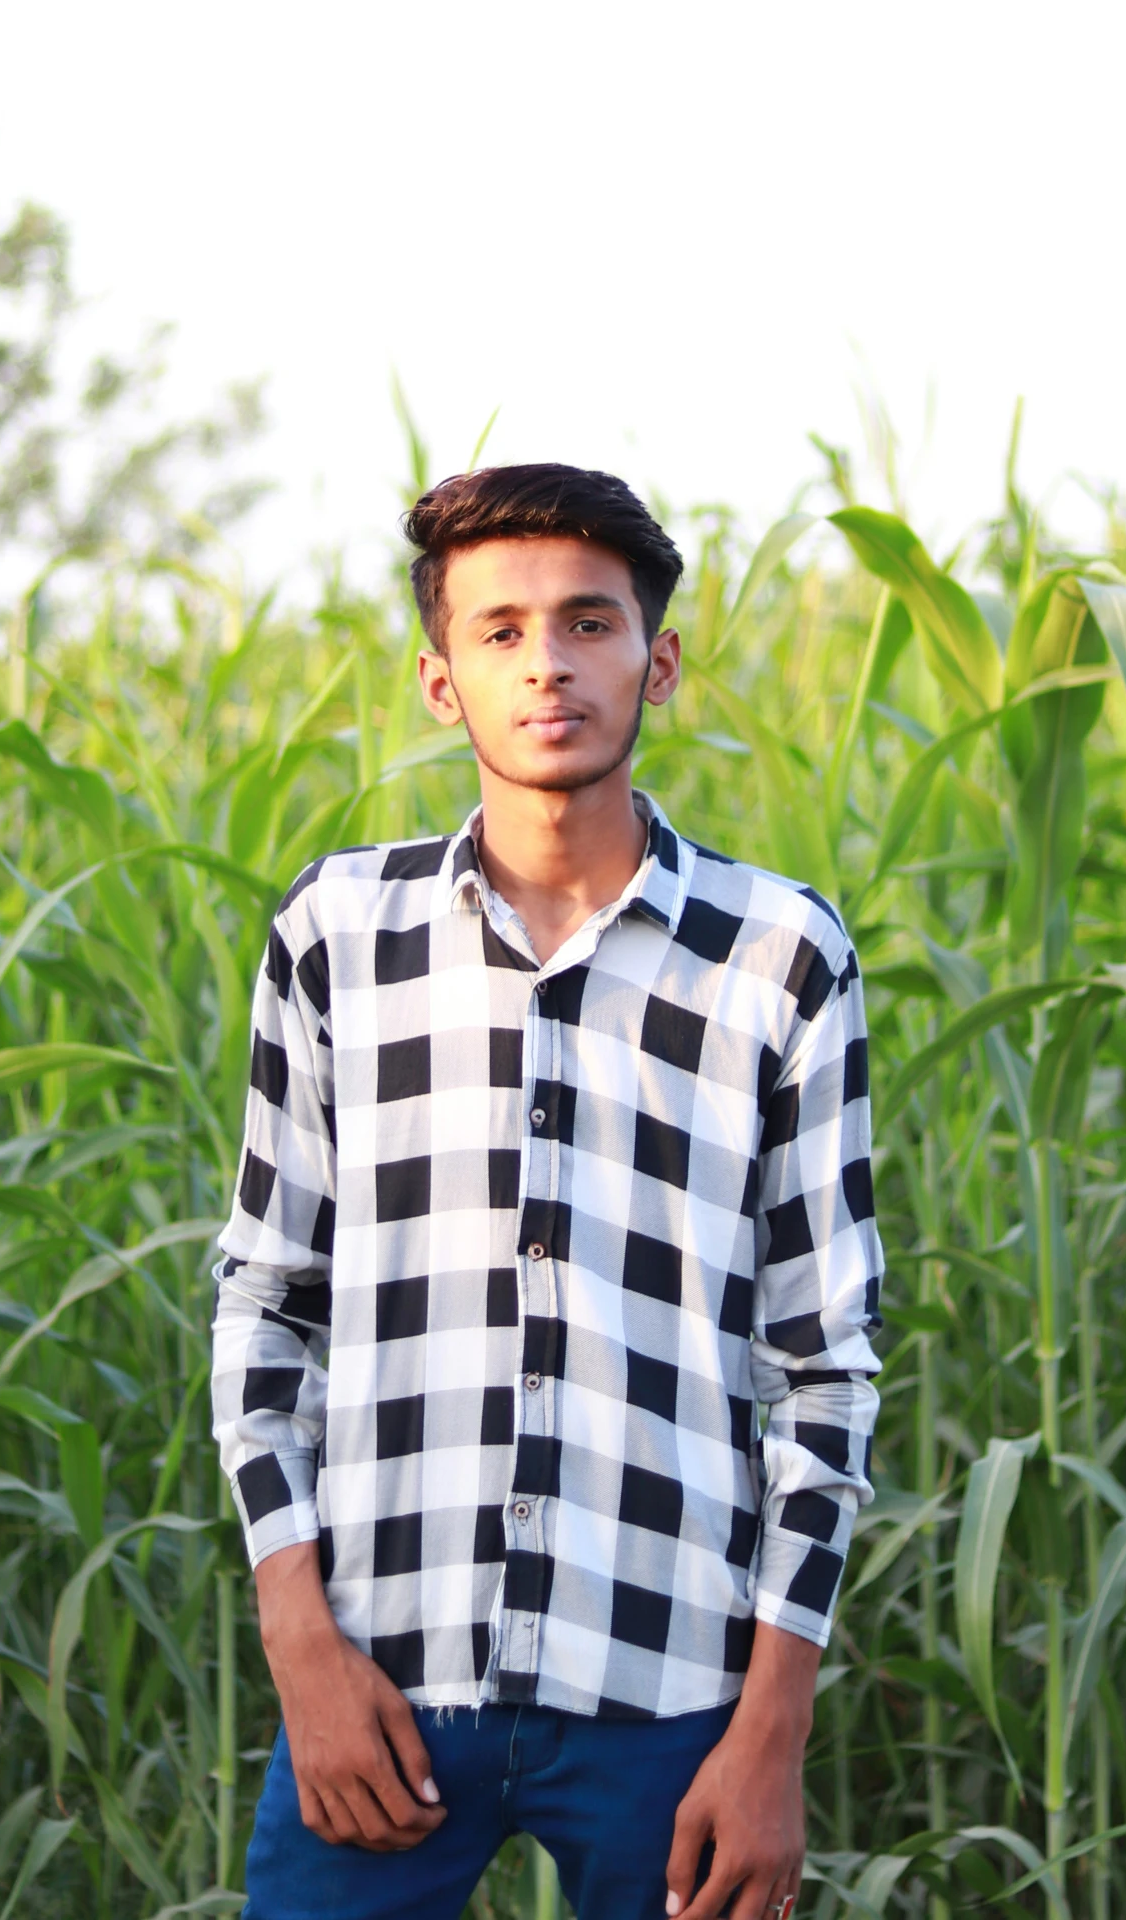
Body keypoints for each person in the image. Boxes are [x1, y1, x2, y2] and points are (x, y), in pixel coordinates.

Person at [211, 463, 882, 1920]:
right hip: (381, 1683)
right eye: (500, 630)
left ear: (659, 657)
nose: (547, 665)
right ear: (439, 679)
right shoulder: (340, 934)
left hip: (672, 1697)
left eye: (586, 622)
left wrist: (772, 1729)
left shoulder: (777, 954)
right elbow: (266, 1300)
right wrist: (300, 1647)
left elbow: (823, 1365)